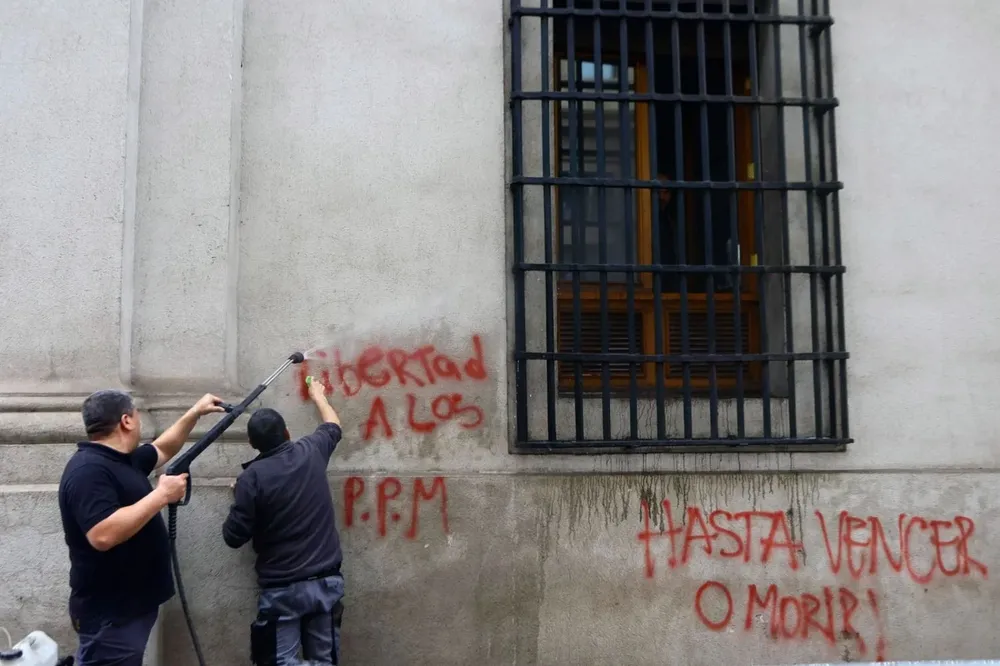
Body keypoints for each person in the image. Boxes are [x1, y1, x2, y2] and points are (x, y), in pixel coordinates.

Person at [58, 389, 227, 666]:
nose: (139, 421)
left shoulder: (124, 459)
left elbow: (163, 448)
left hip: (130, 609)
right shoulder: (88, 470)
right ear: (126, 421)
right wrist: (162, 495)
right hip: (111, 615)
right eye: (137, 415)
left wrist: (195, 413)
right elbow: (102, 534)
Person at [222, 376, 345, 666]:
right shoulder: (311, 451)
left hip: (283, 591)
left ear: (252, 444)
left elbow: (233, 536)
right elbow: (333, 426)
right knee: (325, 659)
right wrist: (318, 396)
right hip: (326, 583)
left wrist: (241, 497)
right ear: (287, 432)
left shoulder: (251, 479)